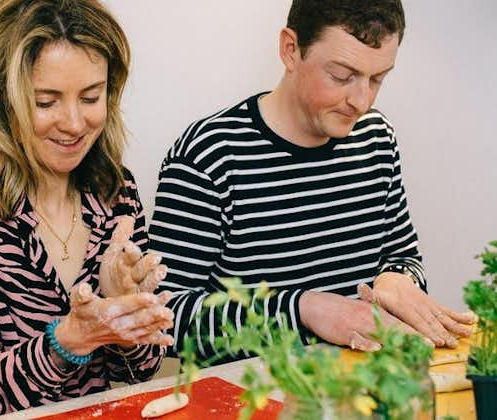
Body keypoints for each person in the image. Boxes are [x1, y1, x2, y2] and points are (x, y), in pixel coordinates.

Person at [149, 0, 476, 362]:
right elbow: (163, 320)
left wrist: (397, 280)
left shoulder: (375, 137)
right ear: (290, 50)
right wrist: (304, 310)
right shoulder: (209, 154)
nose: (361, 101)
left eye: (378, 79)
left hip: (362, 392)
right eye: (341, 75)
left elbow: (403, 256)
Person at [0, 1, 174, 418]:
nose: (73, 123)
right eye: (46, 101)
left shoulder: (116, 192)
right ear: (4, 99)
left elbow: (143, 370)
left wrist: (125, 318)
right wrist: (67, 341)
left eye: (91, 97)